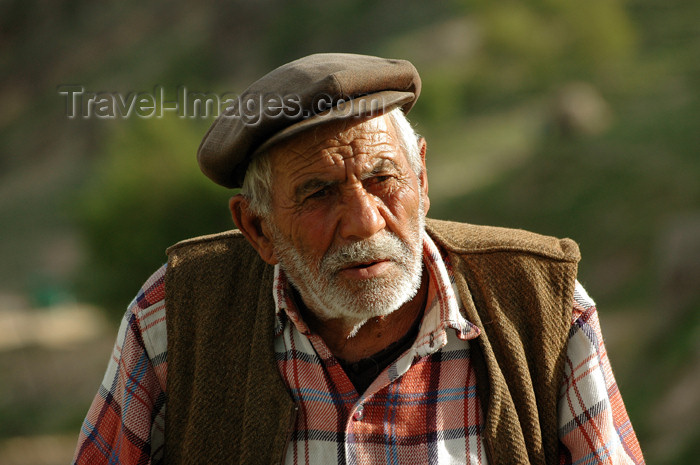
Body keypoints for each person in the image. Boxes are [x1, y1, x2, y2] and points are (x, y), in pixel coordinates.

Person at [73, 53, 644, 465]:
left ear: (421, 179)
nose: (366, 221)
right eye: (318, 193)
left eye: (382, 178)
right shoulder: (173, 317)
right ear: (257, 228)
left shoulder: (544, 307)